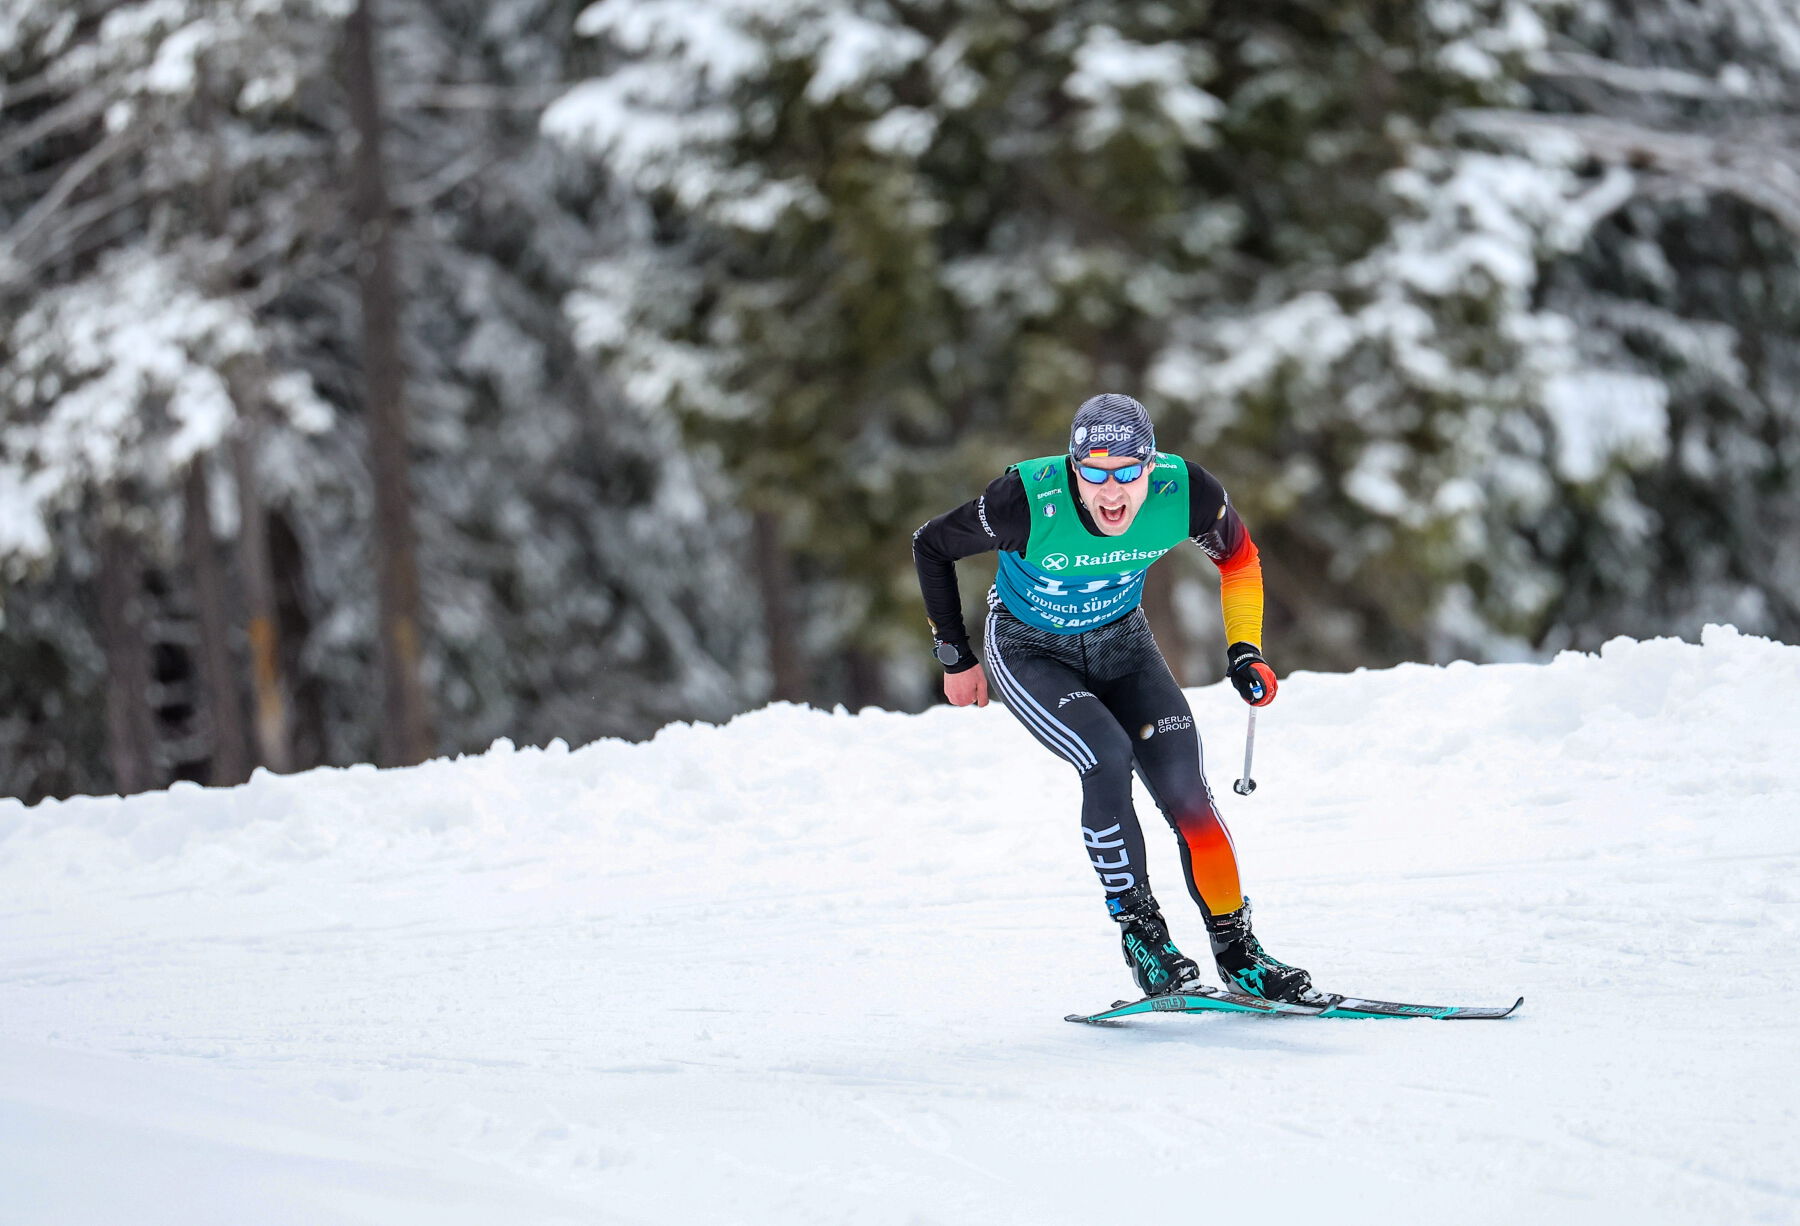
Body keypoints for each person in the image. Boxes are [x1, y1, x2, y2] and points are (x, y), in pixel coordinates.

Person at [911, 393, 1314, 1001]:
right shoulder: (1025, 499)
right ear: (1073, 467)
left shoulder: (1188, 493)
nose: (1111, 491)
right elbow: (931, 545)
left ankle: (1239, 953)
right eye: (1093, 472)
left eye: (1128, 472)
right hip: (1029, 649)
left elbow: (1240, 559)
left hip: (1122, 646)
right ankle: (1143, 938)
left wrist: (1244, 649)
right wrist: (955, 655)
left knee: (1186, 791)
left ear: (1152, 467)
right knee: (1105, 754)